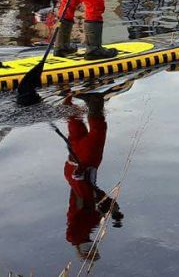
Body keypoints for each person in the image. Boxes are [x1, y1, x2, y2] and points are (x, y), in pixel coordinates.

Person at [62, 95, 123, 262]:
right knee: (76, 128)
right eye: (93, 248)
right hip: (74, 164)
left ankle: (94, 101)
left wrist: (112, 211)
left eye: (90, 249)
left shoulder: (79, 229)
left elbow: (72, 234)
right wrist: (115, 213)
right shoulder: (91, 222)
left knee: (98, 131)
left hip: (83, 166)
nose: (93, 246)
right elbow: (102, 201)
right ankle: (66, 99)